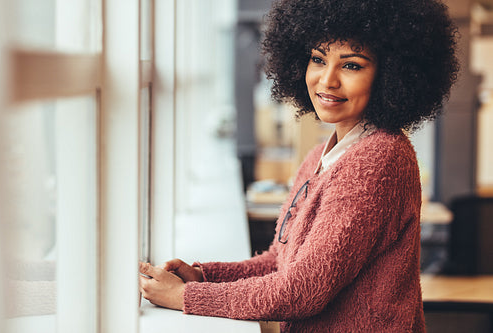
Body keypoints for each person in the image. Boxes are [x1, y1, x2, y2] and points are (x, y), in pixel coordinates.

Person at [139, 0, 459, 331]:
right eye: (318, 60)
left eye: (351, 66)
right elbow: (280, 261)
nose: (327, 80)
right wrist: (204, 275)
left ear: (391, 74)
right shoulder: (320, 157)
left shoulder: (380, 160)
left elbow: (301, 291)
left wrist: (186, 297)